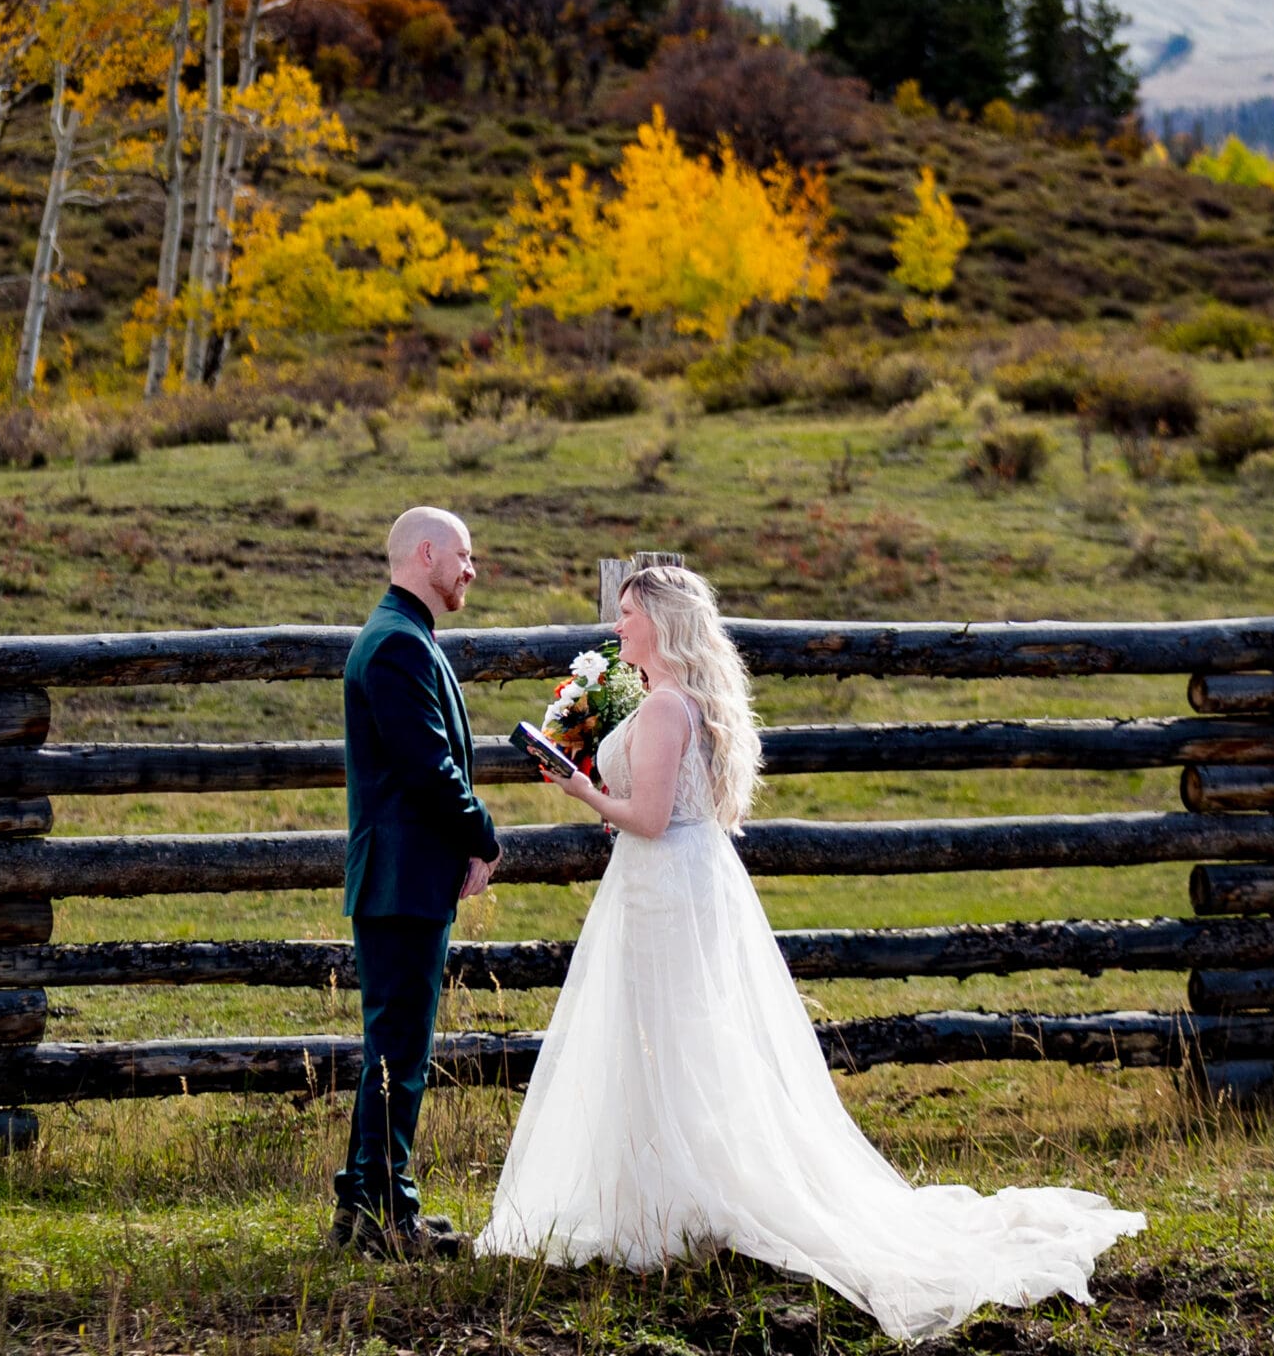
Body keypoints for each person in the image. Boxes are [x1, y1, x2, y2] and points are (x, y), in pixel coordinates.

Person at [477, 563, 1144, 1342]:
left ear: (661, 621)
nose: (617, 625)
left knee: (665, 1036)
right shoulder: (687, 700)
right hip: (685, 878)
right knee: (682, 1036)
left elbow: (649, 819)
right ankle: (669, 1192)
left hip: (662, 883)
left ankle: (681, 1200)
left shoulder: (662, 707)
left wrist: (578, 788)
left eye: (628, 613)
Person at [334, 506, 500, 1257]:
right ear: (425, 553)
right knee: (398, 1056)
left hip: (403, 878)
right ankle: (387, 1218)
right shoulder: (398, 643)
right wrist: (482, 835)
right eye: (463, 555)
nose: (471, 570)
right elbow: (428, 768)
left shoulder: (403, 634)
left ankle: (362, 1209)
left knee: (391, 1050)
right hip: (401, 878)